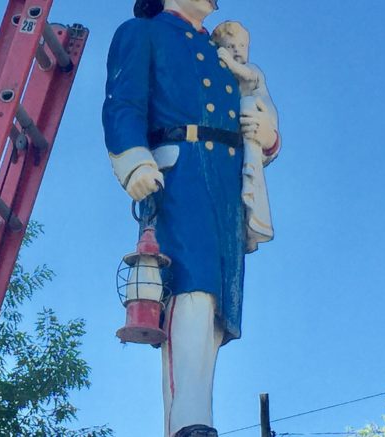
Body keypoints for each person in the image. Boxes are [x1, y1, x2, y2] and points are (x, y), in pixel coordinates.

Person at [102, 0, 281, 436]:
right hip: (178, 172)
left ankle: (192, 416)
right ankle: (190, 420)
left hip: (226, 181)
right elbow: (122, 103)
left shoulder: (225, 53)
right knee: (192, 287)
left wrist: (269, 133)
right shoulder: (142, 32)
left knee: (217, 302)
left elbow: (253, 117)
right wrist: (135, 160)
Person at [212, 20, 280, 250]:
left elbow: (248, 76)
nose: (238, 51)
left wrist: (228, 60)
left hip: (258, 119)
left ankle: (254, 213)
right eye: (231, 46)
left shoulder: (249, 69)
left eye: (242, 46)